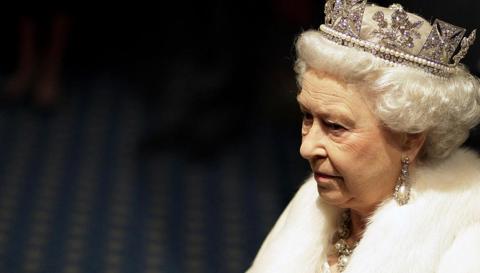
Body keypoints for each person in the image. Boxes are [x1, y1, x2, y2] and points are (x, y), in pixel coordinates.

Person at [246, 1, 480, 272]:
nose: (307, 148)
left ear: (410, 139)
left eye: (335, 127)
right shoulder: (313, 202)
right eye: (307, 116)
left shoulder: (466, 243)